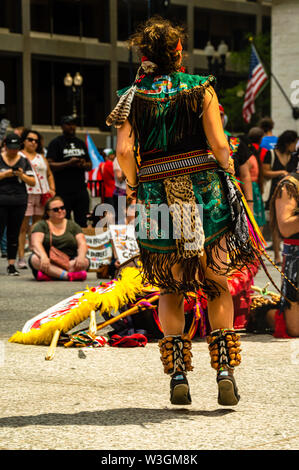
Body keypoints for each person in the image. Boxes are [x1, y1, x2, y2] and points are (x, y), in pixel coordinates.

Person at [106, 17, 265, 407]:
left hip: (156, 194)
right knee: (216, 281)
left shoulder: (131, 95)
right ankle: (225, 370)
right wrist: (226, 172)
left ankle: (178, 373)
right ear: (178, 52)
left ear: (145, 56)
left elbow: (124, 152)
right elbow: (220, 144)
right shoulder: (200, 88)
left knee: (171, 286)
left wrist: (134, 184)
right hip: (202, 191)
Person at [247, 159, 299, 337]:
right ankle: (260, 312)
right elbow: (285, 227)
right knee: (295, 329)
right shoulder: (290, 185)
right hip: (297, 261)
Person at [17, 129, 56, 269]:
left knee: (37, 226)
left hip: (42, 194)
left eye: (36, 140)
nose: (33, 142)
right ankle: (21, 257)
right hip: (25, 192)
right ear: (24, 141)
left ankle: (35, 252)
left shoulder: (41, 157)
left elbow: (49, 174)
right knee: (23, 226)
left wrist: (52, 189)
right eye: (30, 139)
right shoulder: (18, 155)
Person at [29, 196, 89, 281]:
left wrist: (81, 256)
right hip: (47, 261)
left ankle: (51, 275)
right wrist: (43, 256)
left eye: (62, 208)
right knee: (34, 259)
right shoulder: (41, 225)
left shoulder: (73, 226)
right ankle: (67, 276)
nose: (60, 211)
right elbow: (36, 244)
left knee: (85, 261)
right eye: (56, 209)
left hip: (69, 261)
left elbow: (82, 243)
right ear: (48, 212)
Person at [46, 115, 92, 228]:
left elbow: (90, 164)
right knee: (62, 221)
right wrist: (68, 163)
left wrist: (83, 164)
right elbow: (49, 164)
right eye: (68, 124)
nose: (71, 127)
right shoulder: (56, 143)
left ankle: (81, 244)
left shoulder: (80, 143)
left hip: (80, 189)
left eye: (73, 124)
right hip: (63, 190)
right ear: (62, 126)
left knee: (82, 221)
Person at [0, 133, 35, 275]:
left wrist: (21, 175)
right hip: (1, 200)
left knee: (14, 233)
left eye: (15, 148)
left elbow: (33, 182)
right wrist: (5, 175)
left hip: (19, 201)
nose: (13, 151)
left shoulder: (24, 161)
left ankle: (11, 264)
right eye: (10, 148)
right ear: (5, 146)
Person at [263, 130, 298, 264]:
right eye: (294, 143)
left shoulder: (293, 156)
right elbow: (265, 172)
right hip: (275, 191)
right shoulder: (271, 154)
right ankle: (277, 254)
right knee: (275, 223)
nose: (295, 146)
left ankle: (281, 252)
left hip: (290, 192)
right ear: (288, 142)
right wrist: (281, 172)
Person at [219, 105, 254, 213]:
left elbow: (245, 175)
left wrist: (250, 203)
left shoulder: (236, 143)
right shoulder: (199, 145)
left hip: (236, 201)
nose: (217, 118)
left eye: (220, 115)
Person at [247, 127, 266, 228]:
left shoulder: (245, 148)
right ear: (260, 138)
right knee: (258, 217)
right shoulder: (262, 150)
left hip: (247, 186)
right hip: (254, 186)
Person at [113, 155, 126, 223]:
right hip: (121, 193)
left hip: (132, 193)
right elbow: (119, 177)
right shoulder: (118, 159)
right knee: (121, 218)